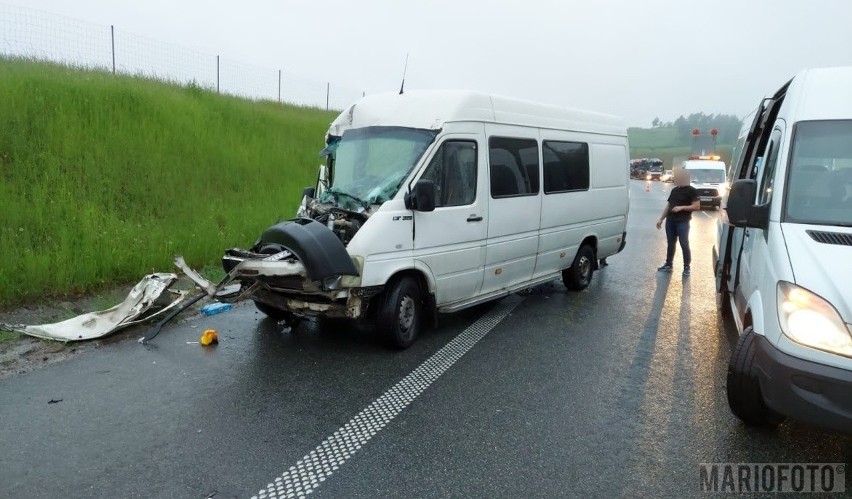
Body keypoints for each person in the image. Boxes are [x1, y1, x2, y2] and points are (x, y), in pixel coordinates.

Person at [656, 169, 700, 276]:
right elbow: (668, 206)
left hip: (683, 222)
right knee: (671, 243)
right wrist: (661, 219)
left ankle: (686, 267)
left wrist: (681, 208)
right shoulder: (674, 190)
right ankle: (668, 264)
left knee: (684, 243)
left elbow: (697, 206)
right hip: (670, 221)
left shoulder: (692, 191)